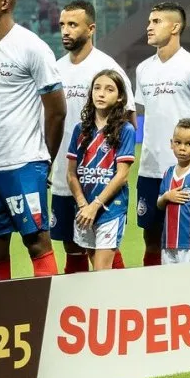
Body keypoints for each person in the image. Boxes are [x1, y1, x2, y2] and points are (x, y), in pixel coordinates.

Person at [0, 0, 66, 281]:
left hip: (24, 163)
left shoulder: (31, 47)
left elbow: (57, 110)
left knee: (36, 241)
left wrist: (44, 160)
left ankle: (52, 312)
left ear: (5, 2)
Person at [135, 2, 190, 266]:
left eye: (156, 21)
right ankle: (157, 297)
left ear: (175, 26)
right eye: (149, 21)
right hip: (150, 168)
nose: (149, 27)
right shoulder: (142, 69)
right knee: (151, 235)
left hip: (185, 170)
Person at [50, 0, 129, 274]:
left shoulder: (107, 68)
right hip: (67, 176)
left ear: (91, 28)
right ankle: (77, 308)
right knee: (72, 246)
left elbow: (126, 122)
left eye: (73, 25)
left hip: (100, 181)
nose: (65, 31)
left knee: (103, 249)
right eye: (62, 25)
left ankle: (119, 302)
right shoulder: (55, 69)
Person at [65, 70, 137, 270]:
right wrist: (83, 205)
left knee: (100, 272)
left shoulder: (126, 130)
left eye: (109, 89)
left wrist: (94, 206)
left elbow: (122, 176)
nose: (101, 94)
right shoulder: (80, 130)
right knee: (100, 271)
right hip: (84, 210)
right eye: (97, 88)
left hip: (109, 209)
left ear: (120, 96)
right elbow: (71, 173)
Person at [157, 118, 190, 264]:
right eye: (178, 142)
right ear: (171, 143)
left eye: (189, 144)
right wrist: (167, 197)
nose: (182, 148)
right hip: (168, 243)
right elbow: (159, 204)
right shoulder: (168, 173)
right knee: (170, 284)